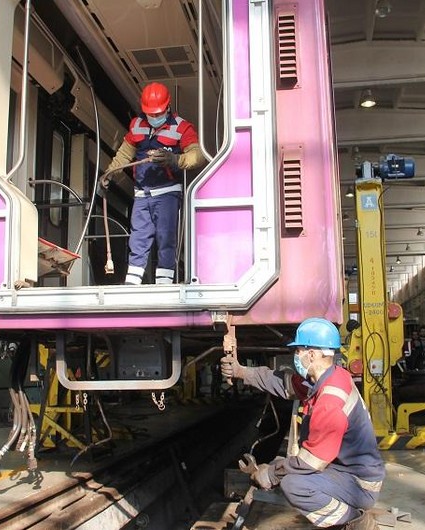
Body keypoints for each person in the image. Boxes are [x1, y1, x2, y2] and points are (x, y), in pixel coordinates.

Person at [221, 318, 384, 529]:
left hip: (359, 485)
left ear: (313, 354)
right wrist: (241, 371)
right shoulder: (329, 377)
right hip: (344, 470)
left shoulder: (330, 401)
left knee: (294, 484)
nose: (296, 356)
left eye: (299, 351)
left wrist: (270, 474)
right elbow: (283, 383)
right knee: (284, 466)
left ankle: (354, 521)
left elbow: (311, 462)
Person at [101, 82, 206, 285]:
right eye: (150, 113)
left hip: (167, 193)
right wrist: (109, 173)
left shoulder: (182, 127)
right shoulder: (137, 125)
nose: (154, 117)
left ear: (167, 108)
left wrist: (176, 160)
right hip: (142, 193)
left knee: (166, 238)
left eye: (157, 113)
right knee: (138, 237)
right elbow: (125, 153)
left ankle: (164, 283)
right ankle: (132, 282)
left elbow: (198, 155)